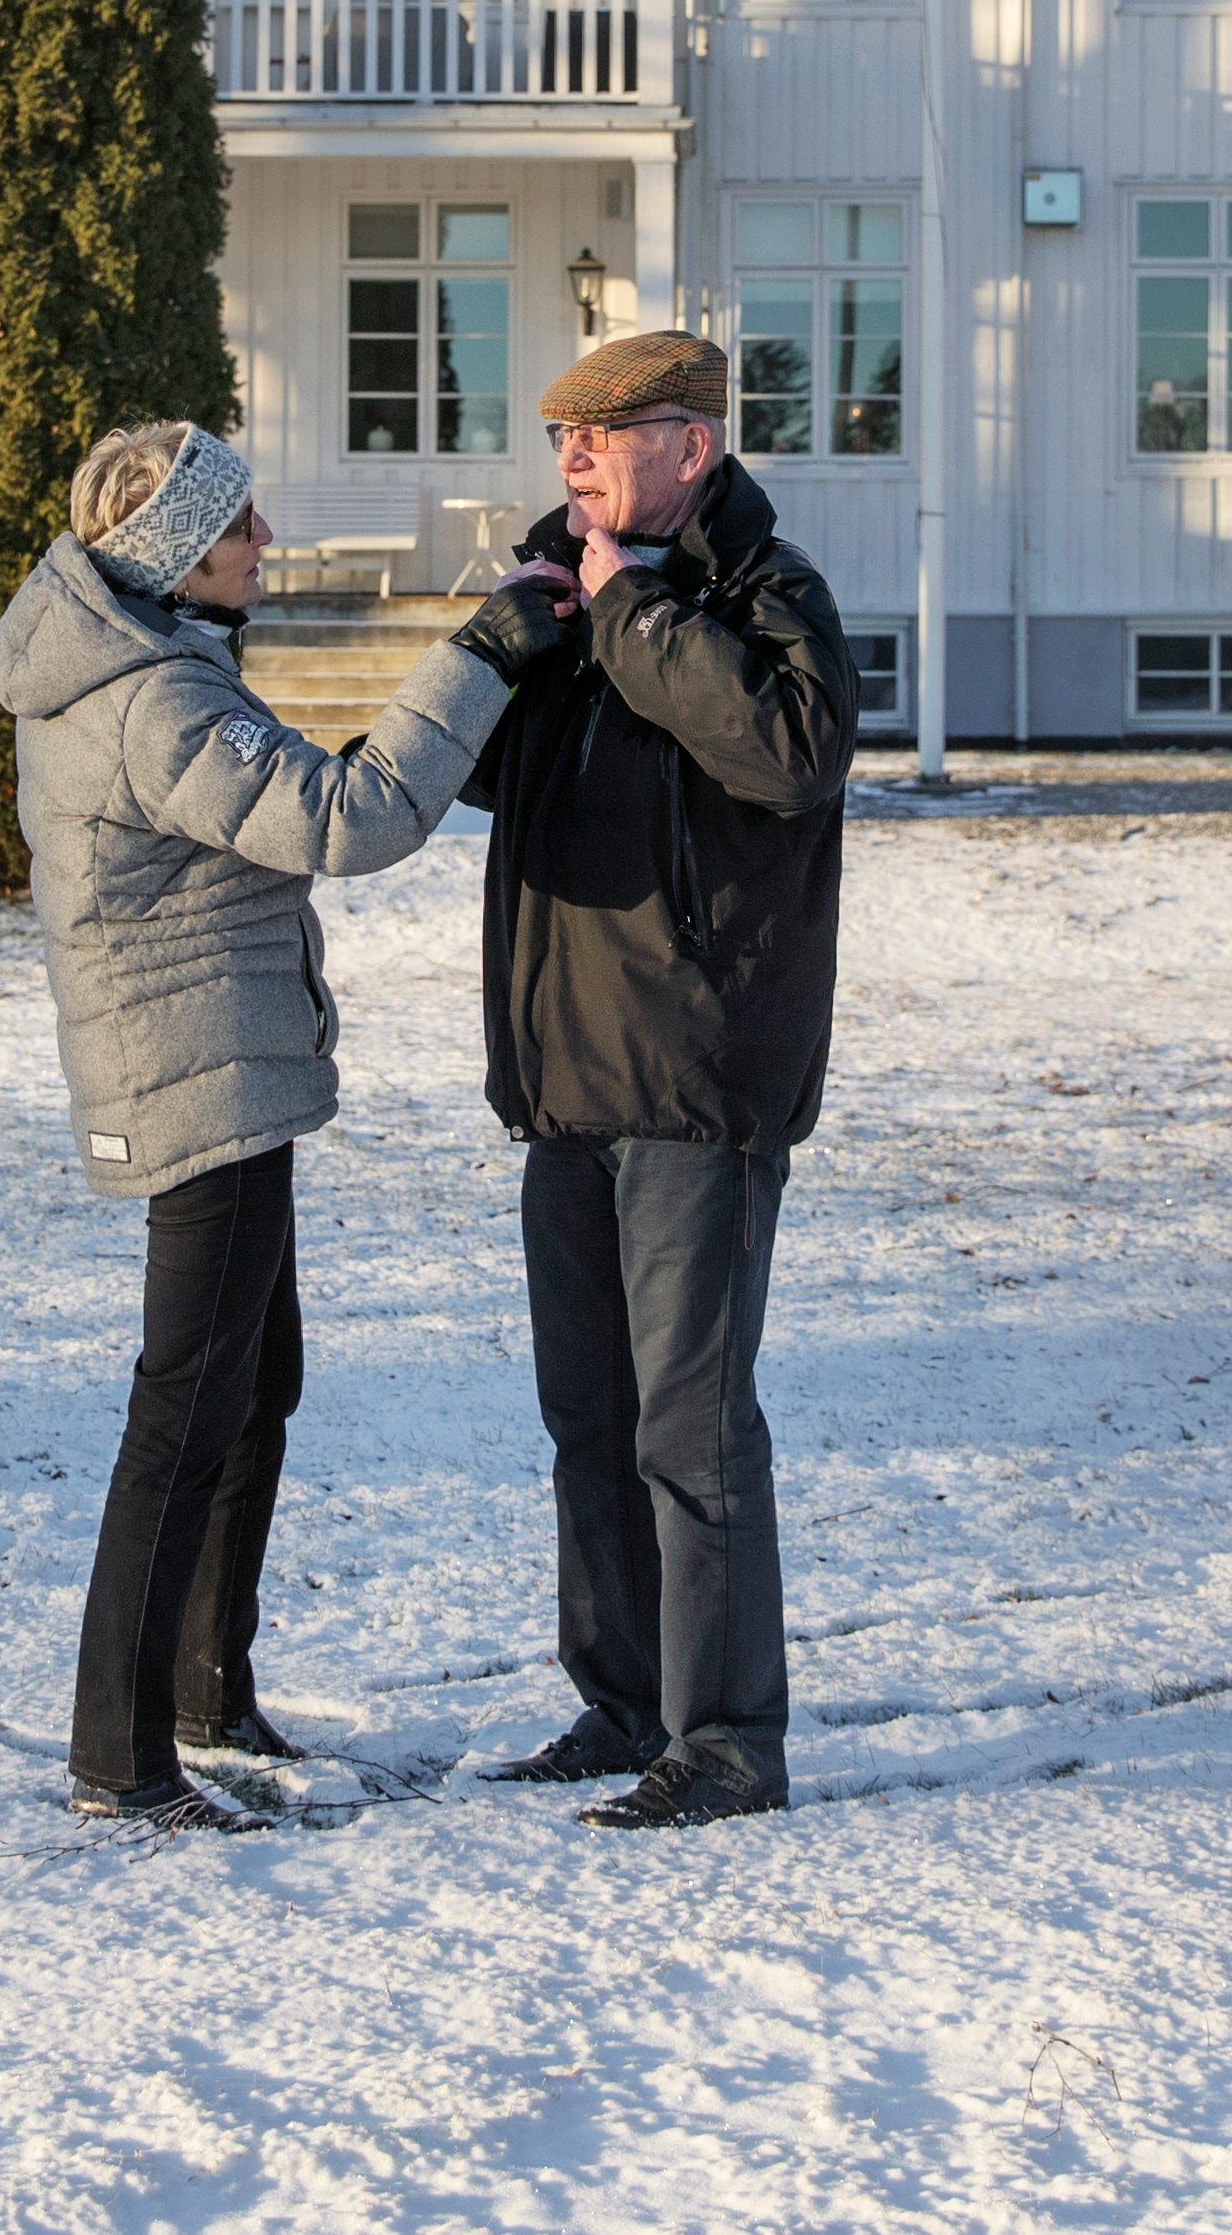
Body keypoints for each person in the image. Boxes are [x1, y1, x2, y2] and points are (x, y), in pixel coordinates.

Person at [0, 417, 573, 1833]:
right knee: (184, 1416)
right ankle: (121, 1757)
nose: (267, 546)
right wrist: (480, 653)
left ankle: (203, 1687)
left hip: (218, 1075)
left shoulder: (154, 668)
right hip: (200, 1091)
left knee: (254, 1386)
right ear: (179, 554)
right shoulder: (153, 704)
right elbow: (351, 814)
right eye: (243, 526)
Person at [462, 331, 863, 1829]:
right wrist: (515, 641)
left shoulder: (770, 599)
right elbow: (493, 778)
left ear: (690, 447)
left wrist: (629, 603)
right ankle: (622, 1698)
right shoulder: (568, 592)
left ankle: (727, 1740)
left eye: (603, 436)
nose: (570, 458)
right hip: (565, 1078)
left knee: (690, 1427)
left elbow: (785, 750)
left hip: (698, 1077)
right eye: (559, 435)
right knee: (589, 1416)